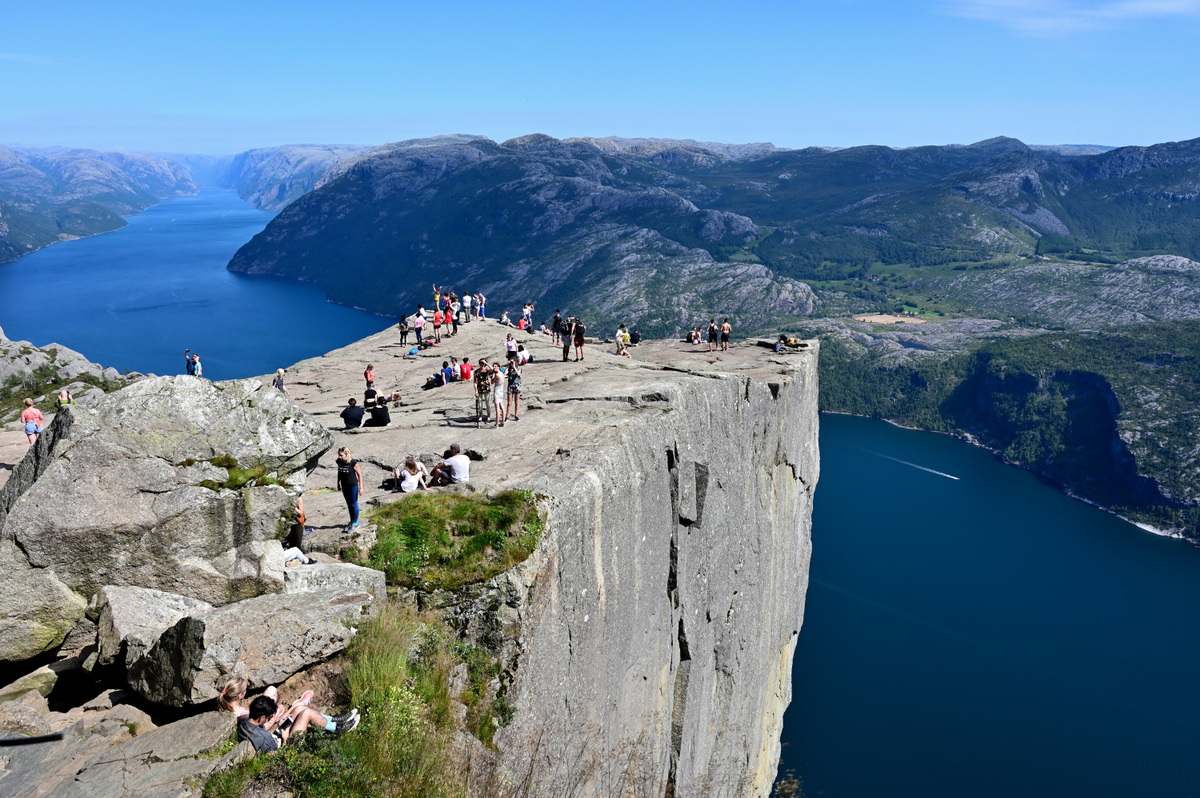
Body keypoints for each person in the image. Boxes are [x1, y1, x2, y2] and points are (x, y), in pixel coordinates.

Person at [220, 677, 358, 752]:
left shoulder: (246, 723)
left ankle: (334, 721)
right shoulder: (263, 741)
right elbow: (279, 756)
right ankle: (340, 729)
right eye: (267, 718)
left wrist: (277, 724)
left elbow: (262, 728)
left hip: (274, 735)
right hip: (288, 745)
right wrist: (285, 738)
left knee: (298, 709)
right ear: (262, 717)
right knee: (306, 713)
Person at [336, 447, 364, 532]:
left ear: (346, 454)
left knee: (353, 504)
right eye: (339, 455)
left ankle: (355, 523)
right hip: (344, 486)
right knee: (349, 504)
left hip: (352, 485)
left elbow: (359, 474)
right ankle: (352, 521)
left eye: (341, 455)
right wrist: (338, 483)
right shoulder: (339, 461)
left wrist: (361, 487)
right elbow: (339, 472)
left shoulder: (353, 462)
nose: (340, 457)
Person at [474, 358, 492, 423]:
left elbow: (492, 369)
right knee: (480, 403)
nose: (481, 364)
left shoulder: (486, 370)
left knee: (487, 403)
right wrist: (476, 390)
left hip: (486, 387)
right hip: (480, 388)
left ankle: (489, 416)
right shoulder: (476, 372)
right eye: (481, 363)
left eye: (483, 363)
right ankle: (480, 416)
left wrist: (486, 363)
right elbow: (475, 382)